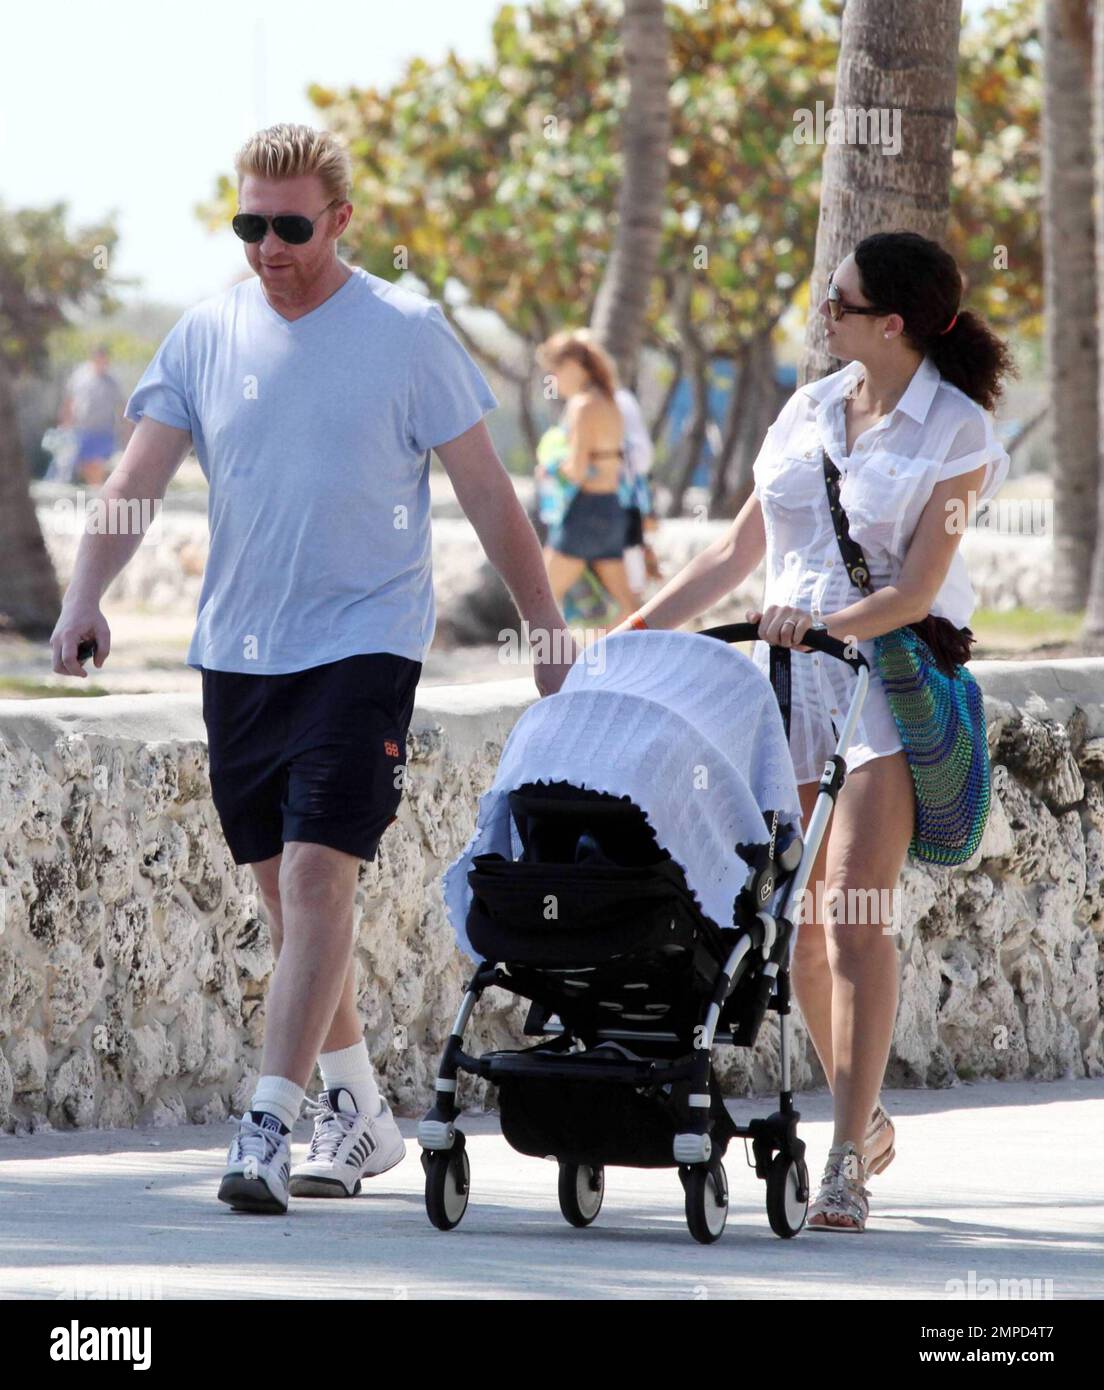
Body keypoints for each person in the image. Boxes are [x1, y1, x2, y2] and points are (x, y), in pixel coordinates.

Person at [49, 122, 577, 1216]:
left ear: (340, 220)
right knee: (288, 908)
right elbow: (135, 483)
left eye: (290, 227)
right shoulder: (205, 333)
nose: (269, 248)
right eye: (250, 225)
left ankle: (263, 1127)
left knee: (315, 880)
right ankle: (361, 1110)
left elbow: (486, 490)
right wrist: (84, 594)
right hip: (238, 656)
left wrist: (543, 623)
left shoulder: (406, 332)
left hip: (364, 646)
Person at [608, 230, 1012, 1232]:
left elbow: (917, 589)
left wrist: (828, 622)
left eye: (840, 303)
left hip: (883, 686)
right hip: (788, 688)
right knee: (798, 931)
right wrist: (634, 631)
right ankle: (863, 1118)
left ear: (893, 323)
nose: (821, 314)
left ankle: (842, 1163)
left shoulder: (958, 432)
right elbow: (736, 551)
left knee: (857, 911)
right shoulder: (808, 409)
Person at [536, 329, 638, 632]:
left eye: (555, 371)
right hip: (611, 510)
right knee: (627, 608)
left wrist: (550, 469)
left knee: (538, 595)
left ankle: (546, 658)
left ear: (573, 365)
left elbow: (577, 470)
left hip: (584, 512)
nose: (553, 380)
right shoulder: (610, 402)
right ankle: (625, 655)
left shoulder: (582, 406)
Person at [58, 344, 127, 484]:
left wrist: (125, 428)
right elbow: (69, 399)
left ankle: (96, 489)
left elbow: (121, 406)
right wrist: (65, 421)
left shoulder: (112, 382)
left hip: (103, 429)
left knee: (97, 462)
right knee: (82, 463)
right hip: (82, 429)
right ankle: (89, 488)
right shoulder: (80, 377)